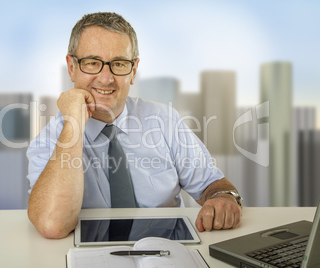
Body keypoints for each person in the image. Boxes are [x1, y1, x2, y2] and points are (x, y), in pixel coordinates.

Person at [27, 12, 242, 239]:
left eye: (118, 64)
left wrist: (223, 199)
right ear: (72, 67)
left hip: (168, 254)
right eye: (92, 63)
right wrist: (72, 123)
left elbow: (213, 184)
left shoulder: (164, 120)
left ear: (133, 70)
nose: (106, 78)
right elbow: (52, 224)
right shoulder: (51, 138)